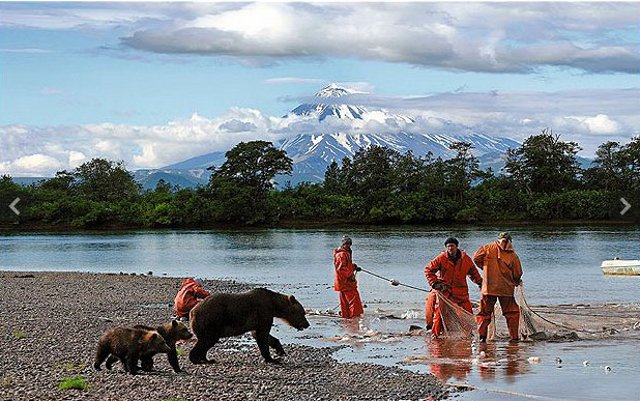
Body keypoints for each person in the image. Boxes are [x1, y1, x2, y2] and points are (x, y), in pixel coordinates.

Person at [425, 237, 483, 338]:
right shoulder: (441, 258)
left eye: (452, 246)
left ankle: (468, 335)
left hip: (461, 292)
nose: (450, 248)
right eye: (448, 246)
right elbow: (428, 270)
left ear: (457, 247)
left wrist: (481, 283)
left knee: (467, 314)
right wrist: (434, 283)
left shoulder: (466, 259)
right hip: (445, 291)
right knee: (439, 314)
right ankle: (435, 335)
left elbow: (473, 273)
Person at [473, 232, 523, 342]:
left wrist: (485, 268)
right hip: (506, 289)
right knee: (512, 313)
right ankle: (514, 338)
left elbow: (476, 258)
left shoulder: (487, 248)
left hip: (488, 288)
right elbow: (518, 273)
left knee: (484, 314)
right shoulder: (513, 255)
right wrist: (516, 281)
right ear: (510, 241)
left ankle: (482, 338)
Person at [333, 235, 364, 319]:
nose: (348, 245)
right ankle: (354, 316)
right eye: (346, 244)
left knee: (345, 300)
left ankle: (347, 317)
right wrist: (350, 275)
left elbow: (346, 265)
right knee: (354, 298)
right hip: (345, 281)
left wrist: (354, 267)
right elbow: (341, 268)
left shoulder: (345, 253)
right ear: (343, 244)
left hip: (342, 281)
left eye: (349, 244)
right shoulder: (341, 254)